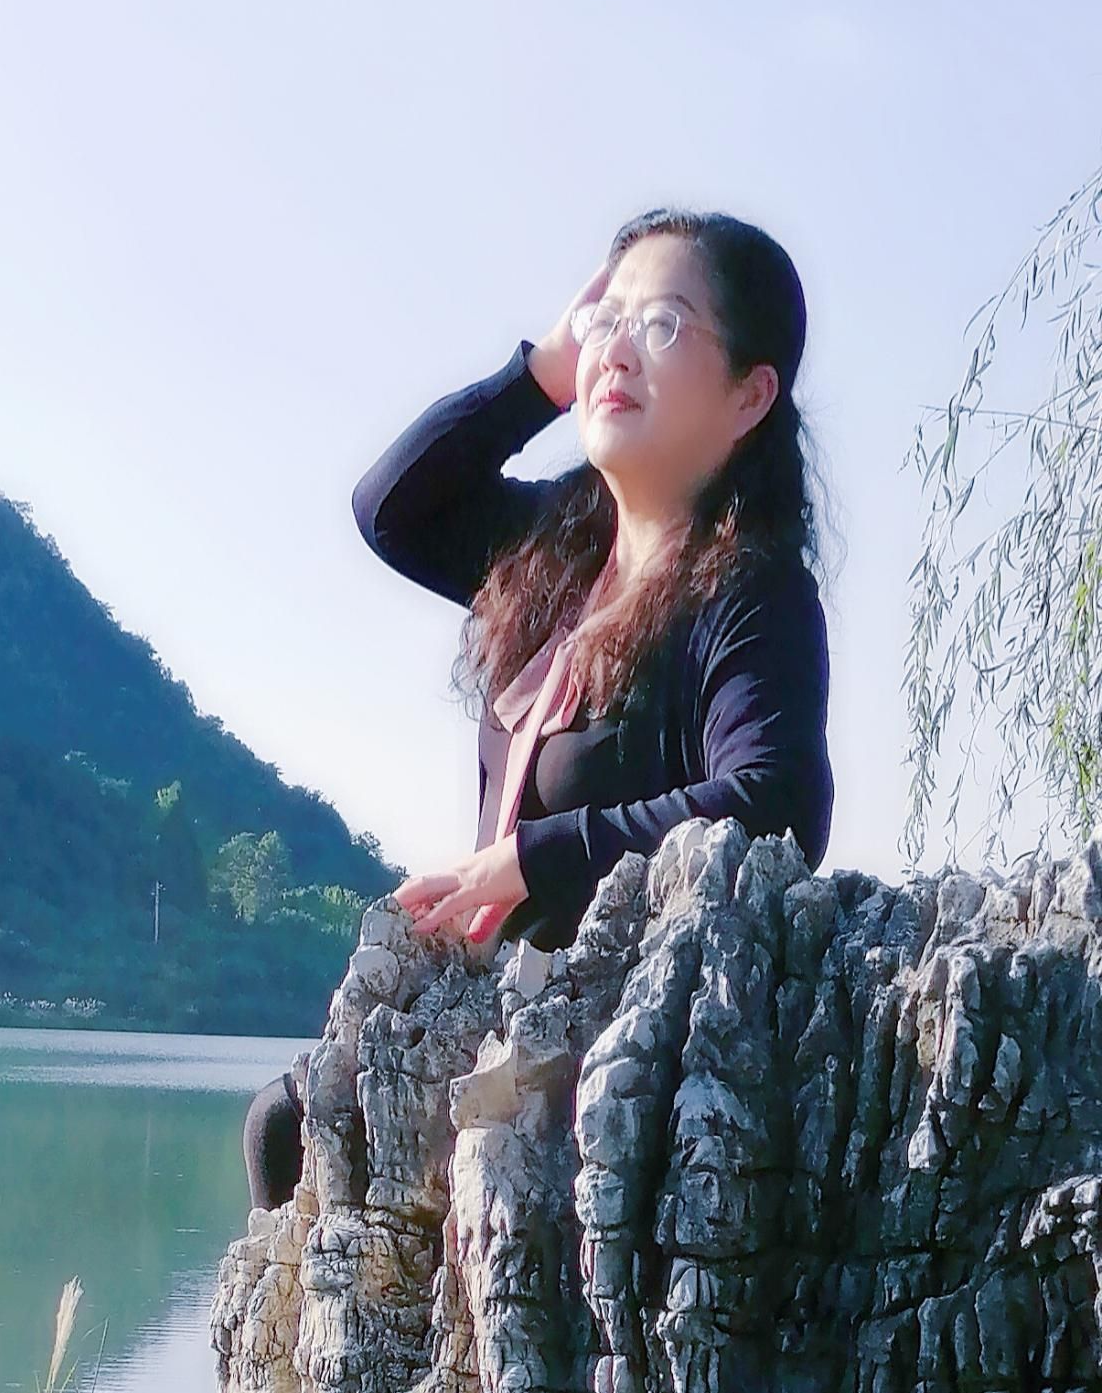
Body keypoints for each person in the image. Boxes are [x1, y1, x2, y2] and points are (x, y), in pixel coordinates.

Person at [241, 205, 837, 1208]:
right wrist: (542, 374)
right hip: (489, 1007)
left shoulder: (751, 591)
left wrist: (532, 857)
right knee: (287, 1121)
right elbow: (391, 508)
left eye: (662, 323)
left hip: (627, 1039)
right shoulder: (552, 556)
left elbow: (775, 801)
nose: (619, 348)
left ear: (749, 394)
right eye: (608, 317)